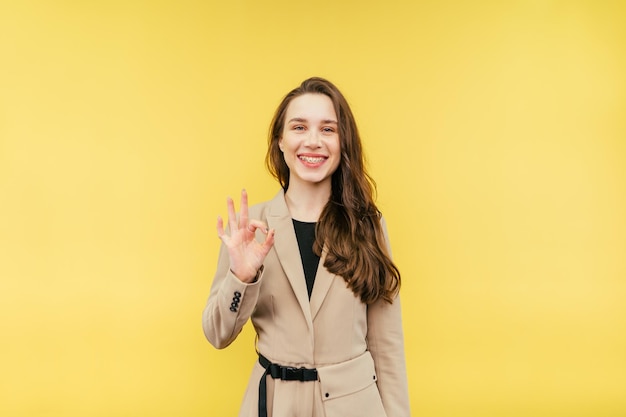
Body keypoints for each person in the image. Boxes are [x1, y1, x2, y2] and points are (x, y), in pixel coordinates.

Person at [202, 77, 410, 417]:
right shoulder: (249, 227)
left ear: (344, 143)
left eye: (328, 129)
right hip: (274, 405)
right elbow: (217, 334)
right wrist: (241, 276)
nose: (313, 141)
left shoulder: (369, 225)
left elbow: (387, 347)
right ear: (280, 142)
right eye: (299, 127)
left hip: (355, 406)